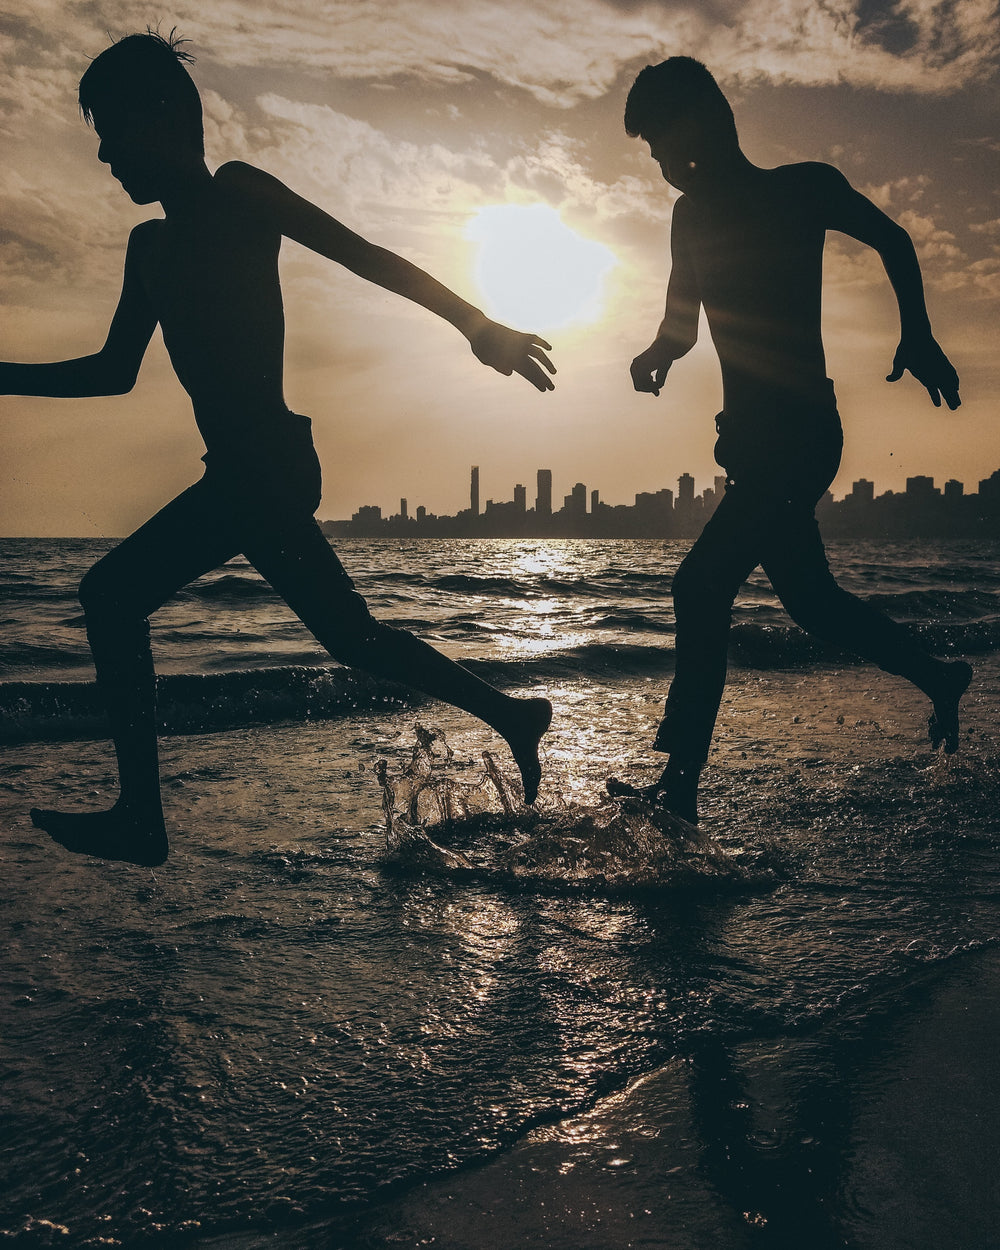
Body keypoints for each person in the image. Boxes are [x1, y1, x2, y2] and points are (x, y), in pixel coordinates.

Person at [2, 31, 556, 867]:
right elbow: (112, 373)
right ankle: (513, 715)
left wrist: (479, 327)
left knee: (111, 596)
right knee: (352, 637)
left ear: (166, 117)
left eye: (114, 130)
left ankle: (141, 818)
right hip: (241, 475)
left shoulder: (240, 194)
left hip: (268, 464)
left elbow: (364, 257)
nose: (107, 153)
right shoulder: (146, 250)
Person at [608, 57, 971, 825]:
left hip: (802, 436)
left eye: (661, 146)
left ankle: (680, 786)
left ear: (701, 123)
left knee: (699, 586)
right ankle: (938, 678)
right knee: (811, 602)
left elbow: (895, 239)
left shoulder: (800, 188)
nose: (660, 165)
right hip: (748, 445)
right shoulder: (690, 220)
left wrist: (920, 332)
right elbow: (681, 325)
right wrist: (655, 357)